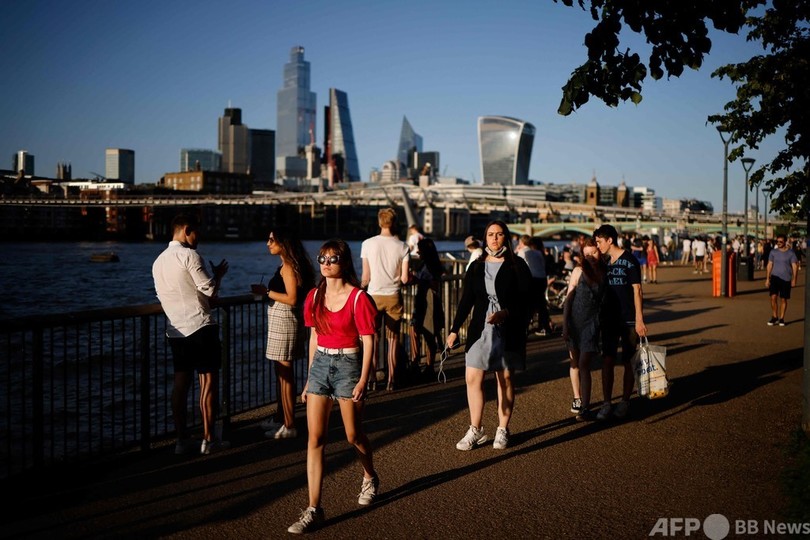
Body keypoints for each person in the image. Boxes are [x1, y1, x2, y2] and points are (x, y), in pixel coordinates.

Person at [287, 239, 380, 534]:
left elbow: (368, 339)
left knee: (353, 434)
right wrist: (308, 379)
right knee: (315, 439)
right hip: (320, 367)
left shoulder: (358, 298)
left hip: (349, 367)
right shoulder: (314, 296)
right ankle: (314, 509)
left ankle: (369, 475)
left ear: (345, 262)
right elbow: (314, 336)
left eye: (333, 258)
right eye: (322, 258)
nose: (326, 263)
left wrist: (365, 378)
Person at [446, 220, 531, 451]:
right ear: (485, 238)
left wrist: (506, 312)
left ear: (507, 238)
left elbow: (527, 300)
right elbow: (467, 300)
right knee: (473, 377)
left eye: (499, 234)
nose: (494, 238)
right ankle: (476, 428)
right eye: (490, 234)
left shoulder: (518, 265)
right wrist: (454, 329)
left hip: (507, 330)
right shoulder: (476, 266)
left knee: (504, 379)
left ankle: (502, 429)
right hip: (479, 330)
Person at [152, 213, 230, 455]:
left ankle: (181, 440)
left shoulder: (158, 261)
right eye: (197, 232)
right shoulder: (190, 255)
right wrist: (217, 275)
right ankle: (209, 440)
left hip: (175, 330)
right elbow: (209, 290)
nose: (199, 238)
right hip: (200, 327)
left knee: (180, 386)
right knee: (207, 383)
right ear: (186, 230)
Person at [251, 228, 315, 440]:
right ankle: (282, 419)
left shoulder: (288, 267)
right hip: (286, 321)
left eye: (272, 239)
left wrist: (266, 292)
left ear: (283, 242)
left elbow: (292, 298)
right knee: (282, 374)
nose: (268, 243)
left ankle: (289, 424)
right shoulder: (291, 264)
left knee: (285, 375)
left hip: (284, 321)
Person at [593, 224, 647, 421]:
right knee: (607, 360)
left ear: (610, 240)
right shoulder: (604, 262)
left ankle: (624, 401)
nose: (597, 246)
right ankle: (607, 403)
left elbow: (637, 290)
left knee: (628, 361)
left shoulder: (630, 260)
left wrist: (640, 319)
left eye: (599, 242)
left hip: (629, 319)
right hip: (608, 318)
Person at [361, 208, 410, 391]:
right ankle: (391, 379)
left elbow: (365, 277)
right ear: (394, 222)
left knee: (372, 338)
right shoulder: (403, 246)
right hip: (393, 296)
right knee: (393, 339)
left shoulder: (367, 244)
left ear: (380, 222)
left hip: (373, 296)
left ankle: (372, 379)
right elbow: (405, 279)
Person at [562, 237, 606, 421]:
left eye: (593, 252)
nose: (590, 257)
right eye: (586, 254)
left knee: (584, 364)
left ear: (599, 251)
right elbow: (569, 299)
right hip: (574, 322)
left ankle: (586, 406)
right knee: (574, 362)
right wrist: (565, 324)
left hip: (592, 323)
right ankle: (577, 398)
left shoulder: (605, 273)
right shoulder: (578, 271)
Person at [409, 237, 446, 379]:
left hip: (426, 301)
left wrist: (416, 279)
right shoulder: (434, 264)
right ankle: (429, 365)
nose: (418, 251)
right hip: (430, 301)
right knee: (429, 332)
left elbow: (428, 281)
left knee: (419, 330)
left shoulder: (427, 266)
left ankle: (417, 363)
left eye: (420, 249)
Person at [516, 234, 552, 335]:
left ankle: (525, 328)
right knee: (541, 304)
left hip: (532, 280)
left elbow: (518, 265)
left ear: (522, 243)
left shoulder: (522, 251)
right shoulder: (538, 252)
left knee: (529, 305)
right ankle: (545, 326)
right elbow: (542, 265)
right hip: (542, 279)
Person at [765, 234, 799, 327]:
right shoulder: (773, 252)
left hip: (786, 279)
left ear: (785, 242)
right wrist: (767, 279)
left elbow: (795, 266)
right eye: (777, 241)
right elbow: (769, 265)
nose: (779, 243)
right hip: (775, 277)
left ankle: (782, 318)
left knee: (783, 299)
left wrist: (794, 279)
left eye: (781, 241)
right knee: (773, 297)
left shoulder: (791, 253)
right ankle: (774, 316)